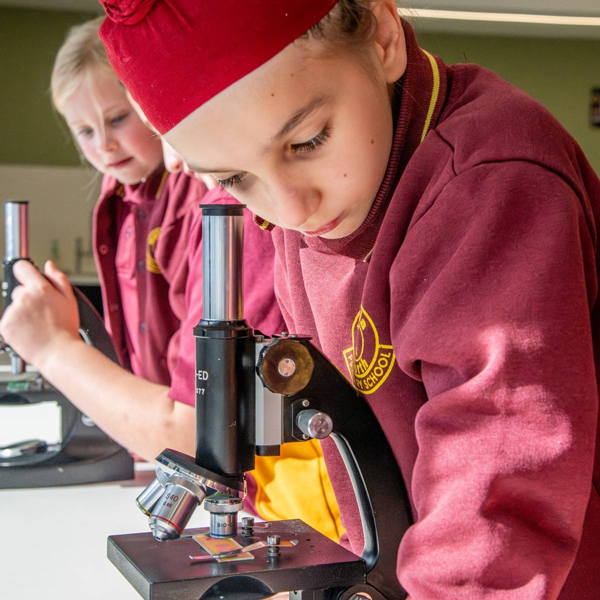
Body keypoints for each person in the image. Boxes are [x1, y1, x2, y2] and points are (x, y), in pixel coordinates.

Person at [97, 0, 600, 598]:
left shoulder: (489, 180)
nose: (291, 208)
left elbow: (496, 477)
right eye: (235, 178)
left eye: (308, 140)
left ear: (383, 36)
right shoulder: (323, 197)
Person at [0, 16, 344, 542]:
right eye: (85, 131)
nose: (104, 147)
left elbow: (193, 431)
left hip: (299, 490)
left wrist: (51, 348)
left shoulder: (219, 201)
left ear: (151, 105)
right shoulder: (124, 203)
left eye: (118, 118)